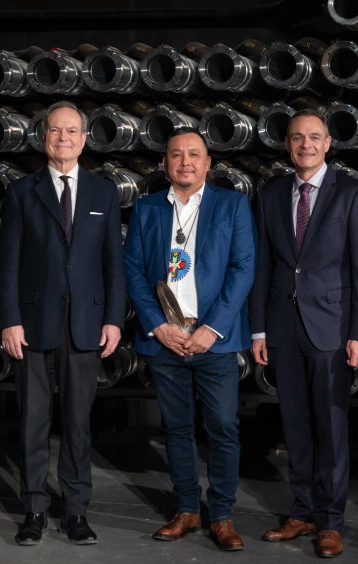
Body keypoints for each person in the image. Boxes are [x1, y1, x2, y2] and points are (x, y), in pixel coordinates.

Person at [249, 109, 358, 557]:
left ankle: (330, 521)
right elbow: (263, 266)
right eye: (297, 137)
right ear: (287, 145)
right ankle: (302, 511)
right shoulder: (270, 193)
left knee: (331, 428)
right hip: (283, 329)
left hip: (332, 329)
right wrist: (258, 329)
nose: (306, 144)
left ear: (328, 144)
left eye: (314, 137)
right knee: (295, 426)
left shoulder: (353, 193)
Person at [0, 101, 126, 546]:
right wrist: (10, 320)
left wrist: (113, 319)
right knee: (32, 422)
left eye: (72, 131)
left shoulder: (103, 192)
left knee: (77, 424)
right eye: (55, 130)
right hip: (33, 325)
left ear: (84, 139)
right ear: (43, 137)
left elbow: (113, 263)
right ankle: (34, 509)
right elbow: (8, 262)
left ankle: (75, 512)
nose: (63, 138)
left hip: (86, 324)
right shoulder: (22, 191)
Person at [124, 127, 256, 551]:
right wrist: (157, 325)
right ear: (165, 163)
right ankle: (186, 509)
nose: (185, 162)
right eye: (176, 155)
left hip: (212, 338)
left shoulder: (232, 205)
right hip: (166, 337)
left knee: (223, 427)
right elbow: (134, 270)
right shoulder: (146, 208)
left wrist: (211, 328)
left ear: (208, 163)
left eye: (194, 154)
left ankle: (221, 515)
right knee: (177, 427)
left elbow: (243, 268)